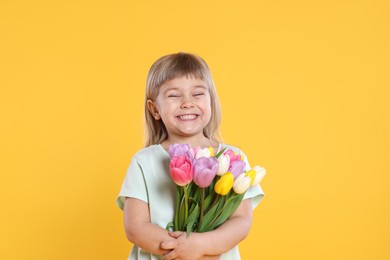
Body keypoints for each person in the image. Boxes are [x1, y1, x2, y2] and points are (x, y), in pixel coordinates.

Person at [116, 52, 264, 259]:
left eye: (197, 94)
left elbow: (241, 222)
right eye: (174, 95)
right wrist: (181, 250)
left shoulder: (232, 158)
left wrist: (202, 246)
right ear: (155, 109)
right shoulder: (143, 162)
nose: (187, 103)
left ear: (211, 101)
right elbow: (136, 227)